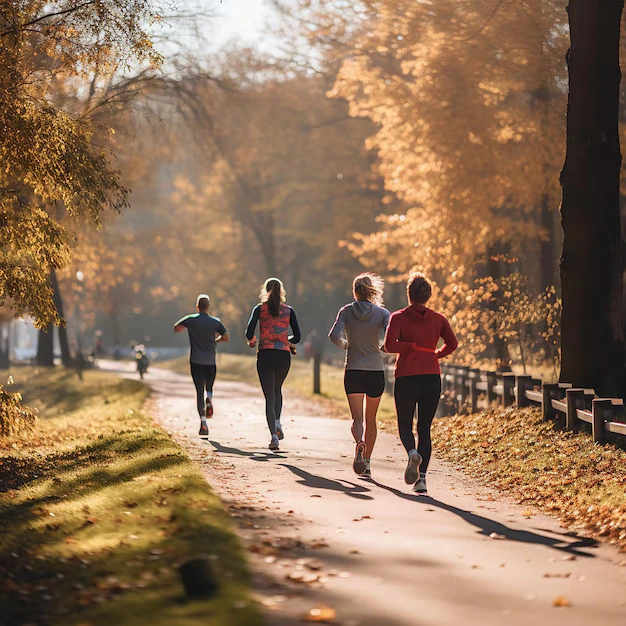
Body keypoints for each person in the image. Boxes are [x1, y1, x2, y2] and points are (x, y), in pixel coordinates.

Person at [384, 273, 458, 494]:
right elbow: (452, 344)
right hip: (431, 377)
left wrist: (407, 347)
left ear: (409, 294)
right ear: (428, 295)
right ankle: (422, 480)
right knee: (424, 427)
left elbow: (389, 345)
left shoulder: (397, 317)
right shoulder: (439, 319)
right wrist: (435, 354)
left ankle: (411, 454)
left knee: (405, 425)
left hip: (407, 376)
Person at [329, 273, 389, 478]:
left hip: (353, 369)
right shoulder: (382, 313)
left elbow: (333, 336)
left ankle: (359, 443)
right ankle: (368, 463)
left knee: (358, 419)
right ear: (371, 291)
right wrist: (383, 348)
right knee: (371, 419)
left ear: (355, 291)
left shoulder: (346, 311)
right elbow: (391, 336)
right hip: (375, 370)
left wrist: (347, 345)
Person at [246, 278, 301, 450]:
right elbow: (297, 337)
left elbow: (249, 332)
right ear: (282, 291)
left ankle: (273, 437)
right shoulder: (289, 310)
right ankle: (277, 422)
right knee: (277, 390)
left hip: (266, 355)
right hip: (283, 356)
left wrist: (253, 340)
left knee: (269, 396)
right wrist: (285, 340)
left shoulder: (259, 309)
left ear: (265, 290)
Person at [174, 294, 230, 436]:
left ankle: (203, 423)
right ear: (208, 306)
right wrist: (216, 340)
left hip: (196, 361)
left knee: (199, 391)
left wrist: (187, 327)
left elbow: (176, 328)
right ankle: (209, 398)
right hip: (210, 361)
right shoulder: (215, 321)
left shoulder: (191, 320)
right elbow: (226, 336)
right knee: (208, 387)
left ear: (197, 306)